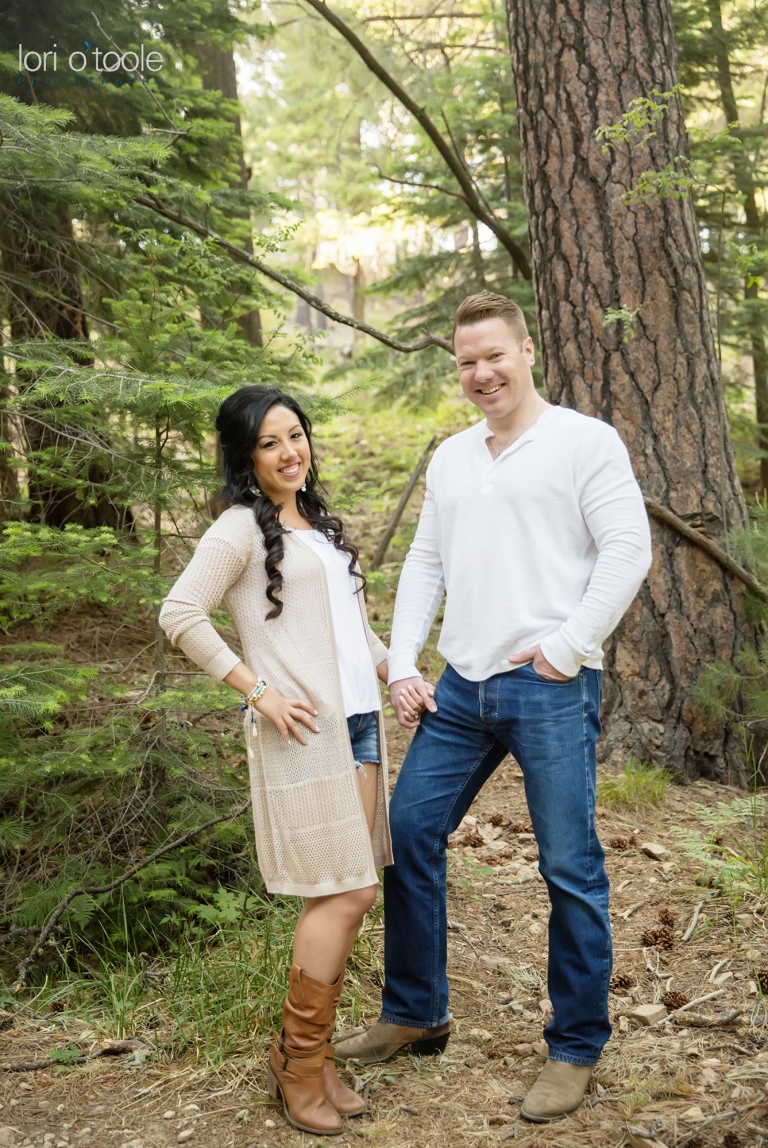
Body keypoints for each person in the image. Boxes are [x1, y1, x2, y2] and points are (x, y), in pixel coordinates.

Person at [334, 292, 653, 1123]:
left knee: (568, 865)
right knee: (407, 834)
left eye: (494, 356)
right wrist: (402, 662)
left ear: (527, 350)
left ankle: (575, 1045)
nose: (481, 374)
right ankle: (415, 1012)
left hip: (548, 684)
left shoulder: (585, 442)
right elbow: (427, 564)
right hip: (461, 685)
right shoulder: (452, 457)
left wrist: (566, 646)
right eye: (466, 362)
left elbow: (628, 549)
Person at [159, 385, 402, 1137]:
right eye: (270, 443)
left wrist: (398, 673)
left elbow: (350, 629)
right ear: (245, 456)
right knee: (346, 893)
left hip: (358, 726)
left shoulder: (317, 525)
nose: (289, 451)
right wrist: (256, 691)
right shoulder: (236, 529)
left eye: (295, 435)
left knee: (342, 893)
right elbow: (178, 613)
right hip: (303, 735)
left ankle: (312, 1057)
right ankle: (298, 1066)